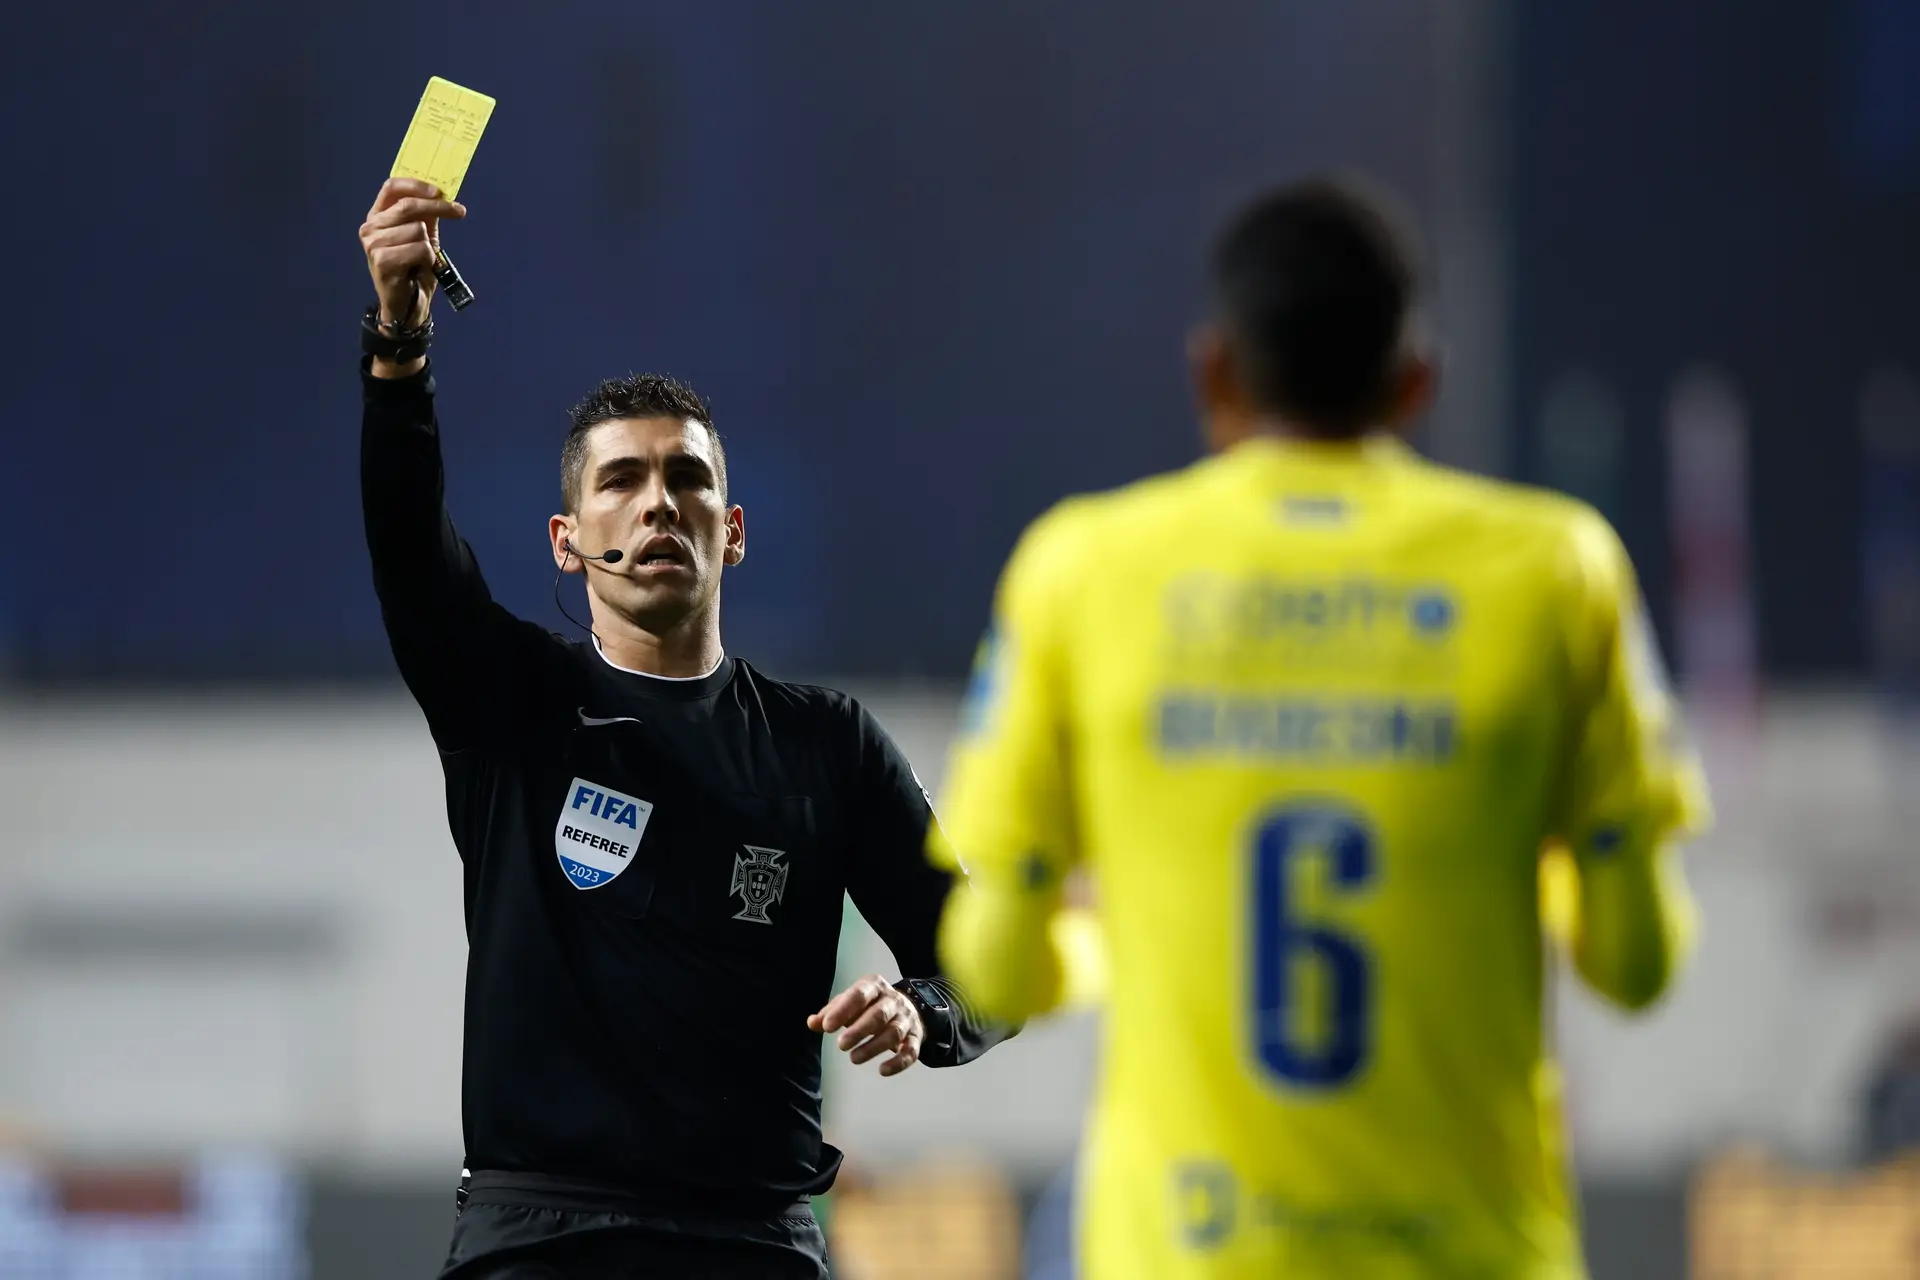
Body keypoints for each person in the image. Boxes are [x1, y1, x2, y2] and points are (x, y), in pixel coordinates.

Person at [933, 177, 1710, 1279]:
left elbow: (992, 970)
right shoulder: (1556, 570)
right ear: (1416, 379)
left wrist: (1112, 938)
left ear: (1213, 370)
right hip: (1475, 1253)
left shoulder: (1082, 570)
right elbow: (1637, 963)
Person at [355, 177, 1006, 1280]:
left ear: (733, 530)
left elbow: (987, 959)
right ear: (569, 539)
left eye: (687, 478)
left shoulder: (827, 744)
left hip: (754, 1244)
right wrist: (400, 340)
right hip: (542, 1240)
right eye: (623, 480)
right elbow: (409, 542)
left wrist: (919, 1008)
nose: (658, 502)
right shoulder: (510, 702)